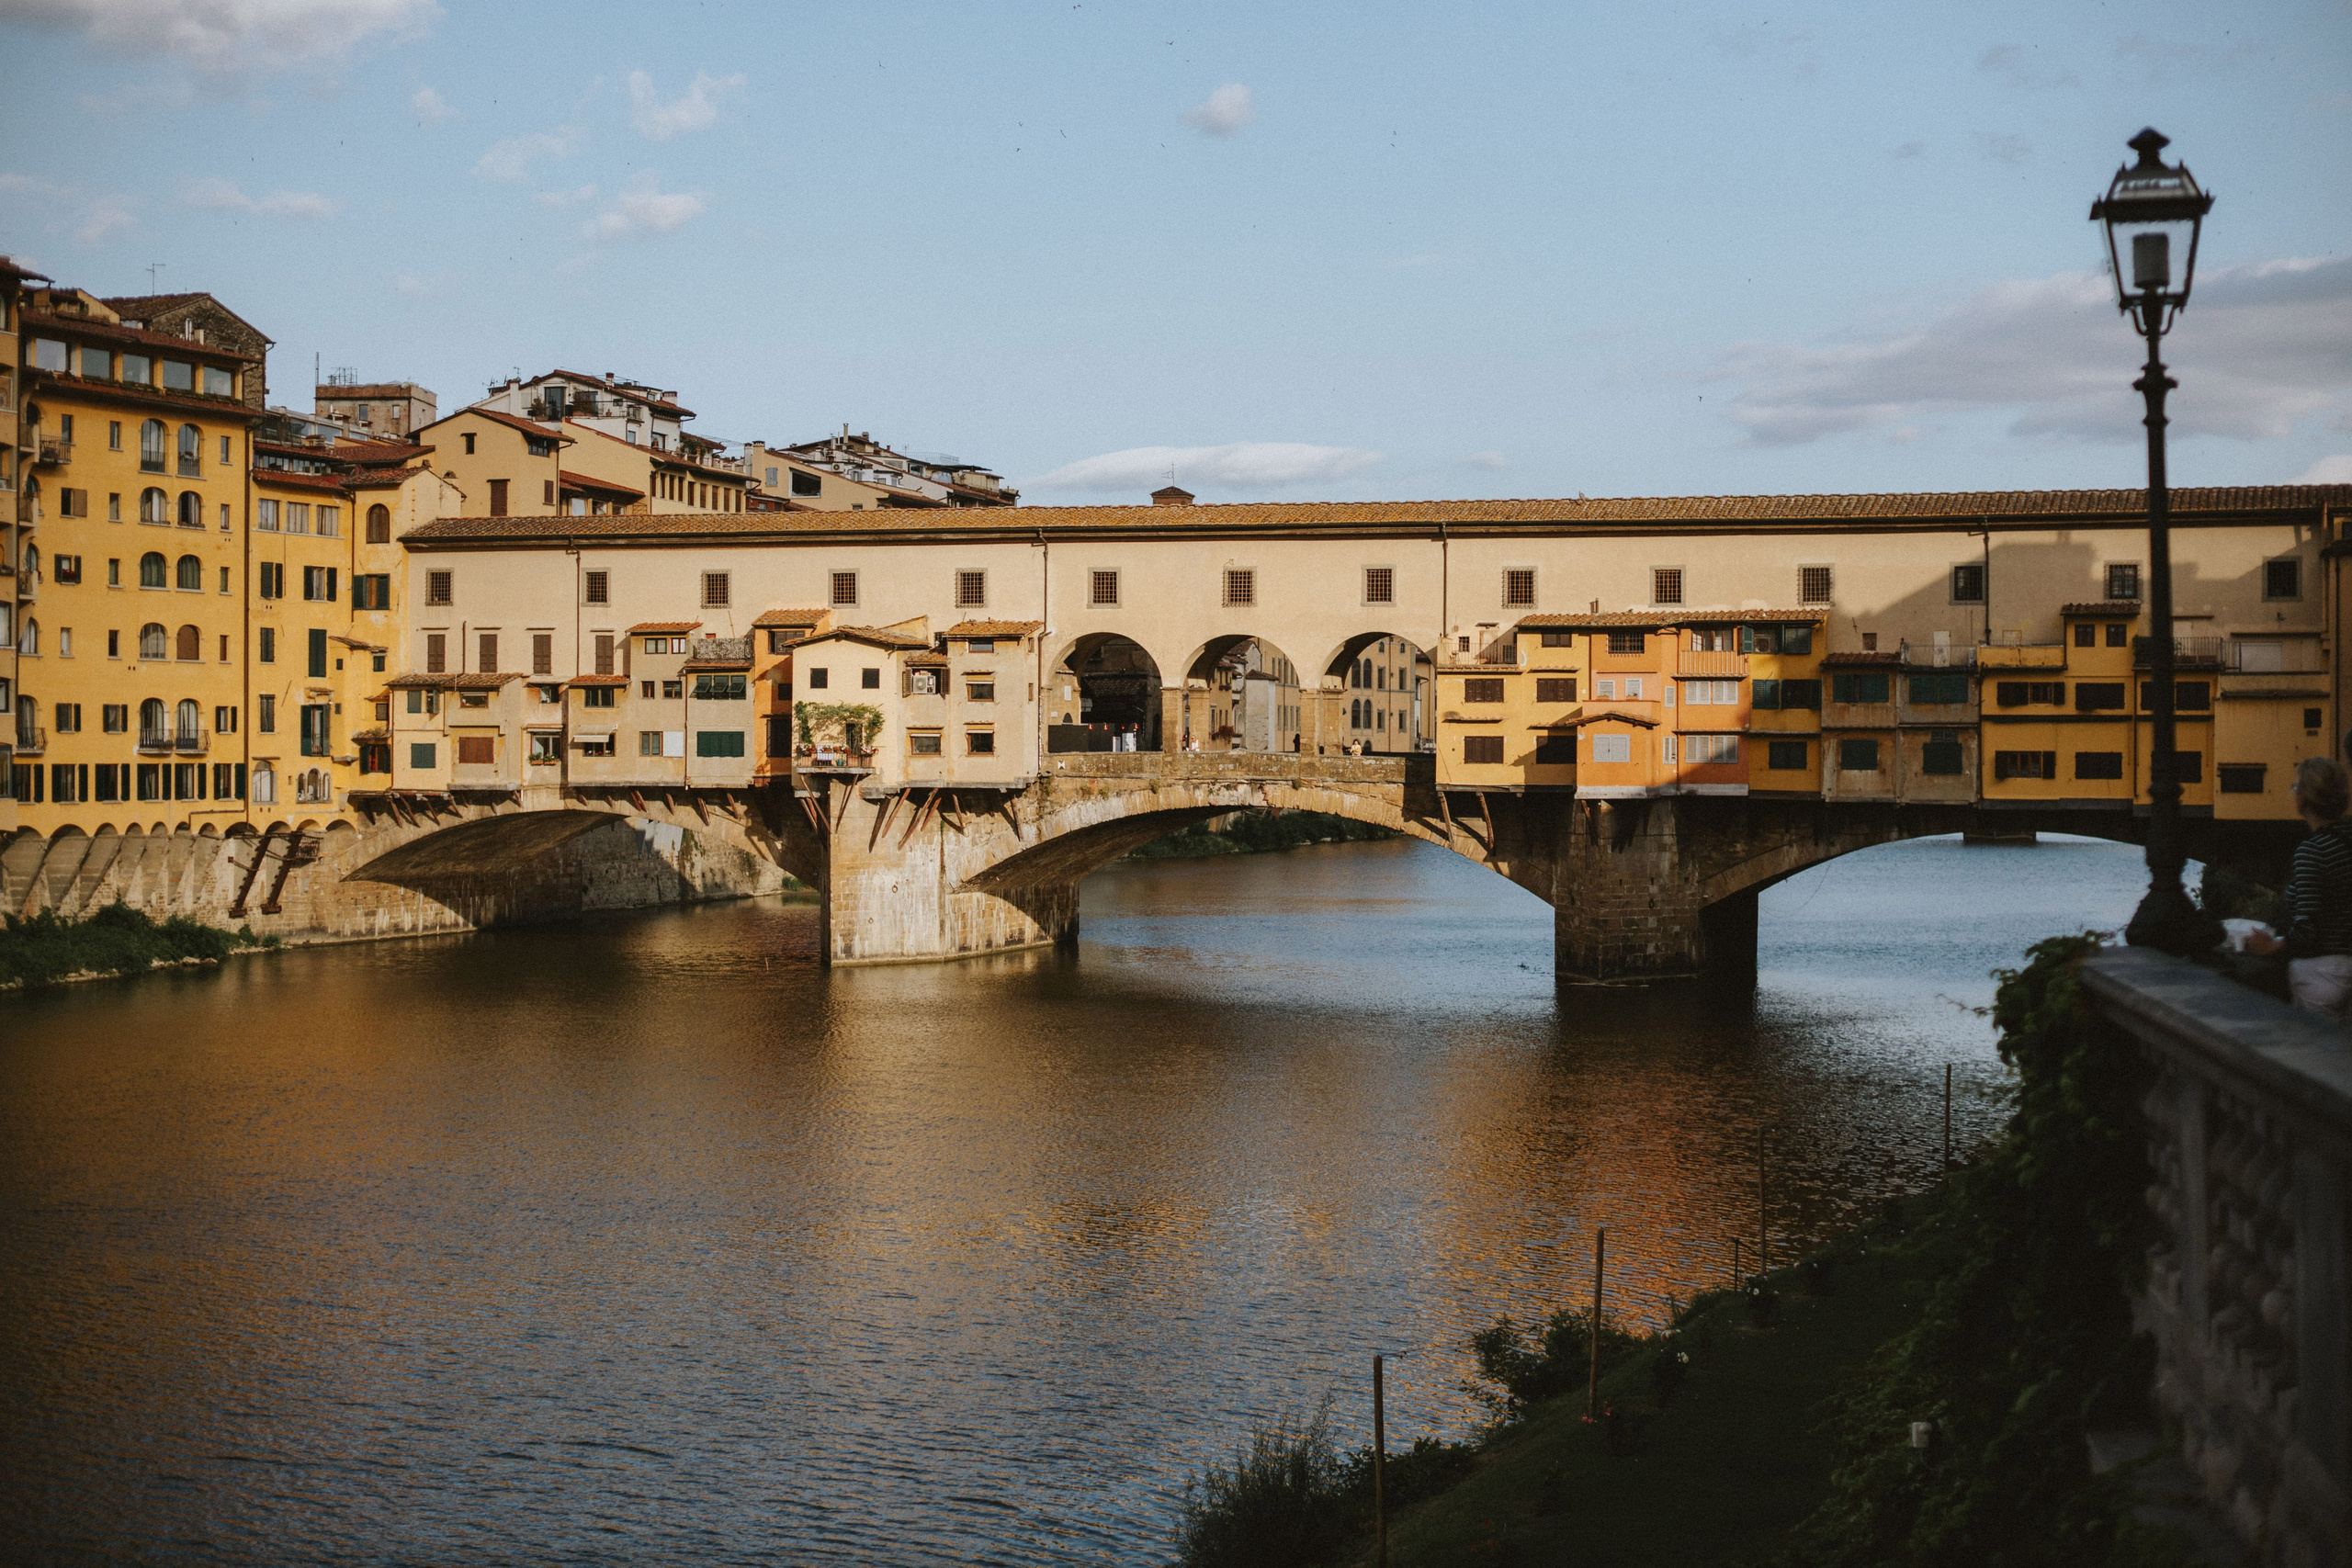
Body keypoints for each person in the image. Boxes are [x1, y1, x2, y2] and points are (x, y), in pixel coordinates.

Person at [2245, 756, 2352, 1020]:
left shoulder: (2311, 851)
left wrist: (2272, 946)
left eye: (2295, 787)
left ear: (2303, 798)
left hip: (2320, 976)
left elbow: (2307, 929)